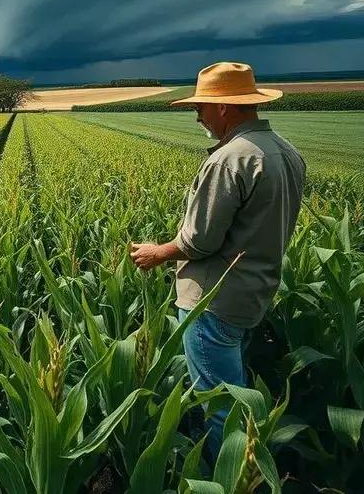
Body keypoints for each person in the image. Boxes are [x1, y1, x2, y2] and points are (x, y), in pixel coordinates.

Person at [128, 61, 305, 456]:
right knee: (232, 392)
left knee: (219, 408)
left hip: (213, 303)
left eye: (201, 107)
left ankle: (220, 475)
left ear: (224, 108)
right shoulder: (287, 152)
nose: (197, 115)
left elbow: (199, 241)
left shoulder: (229, 159)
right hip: (253, 296)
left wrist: (157, 252)